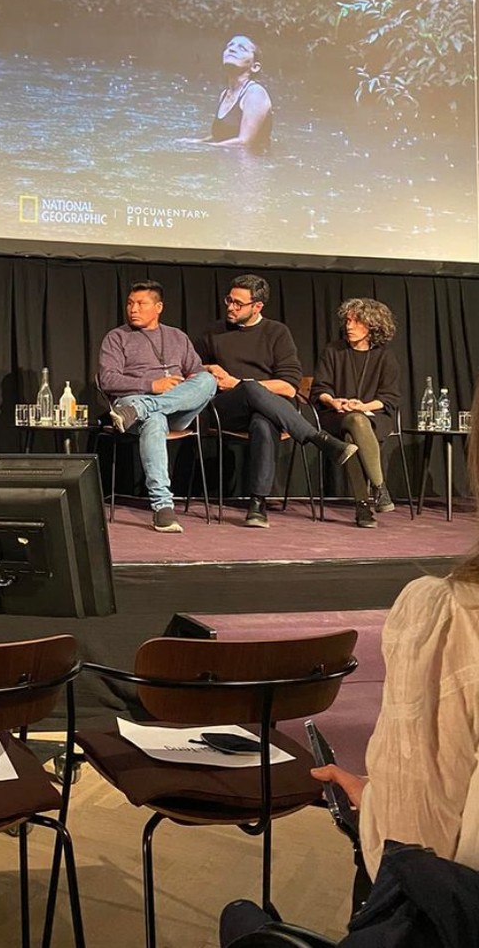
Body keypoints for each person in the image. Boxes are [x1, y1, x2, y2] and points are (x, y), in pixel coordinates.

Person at [220, 377, 479, 947]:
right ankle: (348, 475)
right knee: (265, 415)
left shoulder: (449, 617)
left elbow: (415, 842)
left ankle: (327, 481)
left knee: (245, 923)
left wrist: (378, 805)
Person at [197, 274, 358, 528]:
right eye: (229, 300)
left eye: (238, 303)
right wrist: (208, 371)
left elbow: (289, 387)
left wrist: (240, 383)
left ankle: (257, 505)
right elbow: (193, 370)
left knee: (263, 420)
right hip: (224, 408)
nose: (230, 307)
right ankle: (318, 439)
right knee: (249, 390)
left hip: (270, 410)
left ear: (257, 306)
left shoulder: (276, 332)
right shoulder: (212, 333)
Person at [98, 280, 217, 533]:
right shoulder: (117, 337)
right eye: (130, 303)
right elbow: (107, 380)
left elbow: (195, 373)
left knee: (208, 379)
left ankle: (144, 407)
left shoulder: (177, 336)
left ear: (159, 307)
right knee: (155, 420)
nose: (133, 309)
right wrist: (152, 385)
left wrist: (180, 386)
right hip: (130, 403)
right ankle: (163, 507)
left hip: (159, 411)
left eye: (141, 304)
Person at [312, 299, 401, 529]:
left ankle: (363, 507)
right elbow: (320, 389)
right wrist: (333, 401)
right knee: (352, 422)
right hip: (335, 416)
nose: (349, 326)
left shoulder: (385, 357)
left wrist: (363, 406)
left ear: (372, 325)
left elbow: (389, 398)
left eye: (356, 321)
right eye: (348, 320)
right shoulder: (333, 350)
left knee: (353, 435)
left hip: (375, 417)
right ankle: (380, 488)